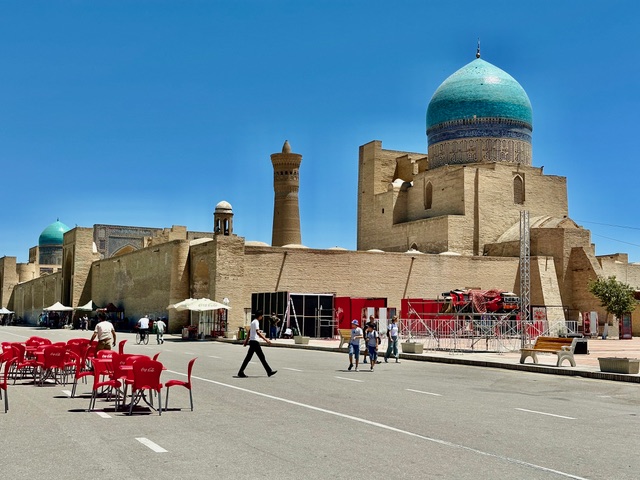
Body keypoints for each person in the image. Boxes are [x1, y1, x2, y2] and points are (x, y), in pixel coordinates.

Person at [237, 310, 277, 378]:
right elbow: (257, 332)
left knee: (249, 358)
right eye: (262, 316)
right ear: (259, 316)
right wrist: (266, 340)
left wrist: (246, 341)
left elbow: (249, 331)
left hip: (252, 342)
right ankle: (269, 371)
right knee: (261, 357)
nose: (262, 317)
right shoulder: (256, 322)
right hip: (255, 342)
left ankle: (241, 372)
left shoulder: (253, 322)